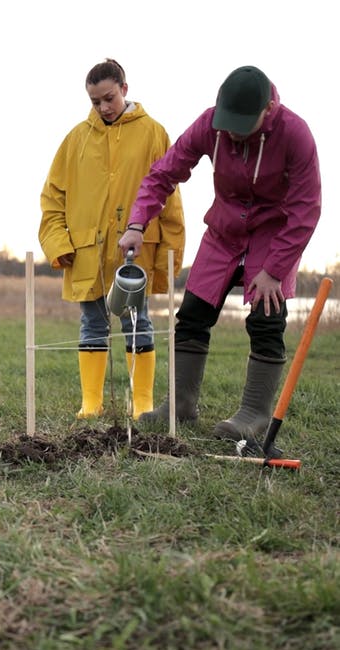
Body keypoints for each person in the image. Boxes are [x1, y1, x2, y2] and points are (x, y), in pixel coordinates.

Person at [118, 65, 322, 440]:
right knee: (193, 315)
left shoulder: (295, 134)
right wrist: (136, 224)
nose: (229, 131)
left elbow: (306, 208)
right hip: (223, 233)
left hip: (273, 237)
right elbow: (163, 174)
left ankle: (255, 413)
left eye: (240, 123)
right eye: (227, 122)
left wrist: (275, 269)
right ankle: (180, 404)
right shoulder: (210, 124)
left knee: (266, 318)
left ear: (268, 109)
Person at [39, 58, 185, 420]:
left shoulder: (154, 132)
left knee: (138, 322)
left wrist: (169, 253)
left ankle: (143, 404)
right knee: (92, 323)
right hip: (86, 252)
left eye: (109, 98)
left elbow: (170, 198)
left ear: (124, 89)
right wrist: (59, 244)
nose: (104, 107)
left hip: (136, 251)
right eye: (95, 101)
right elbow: (52, 198)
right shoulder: (75, 139)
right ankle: (91, 403)